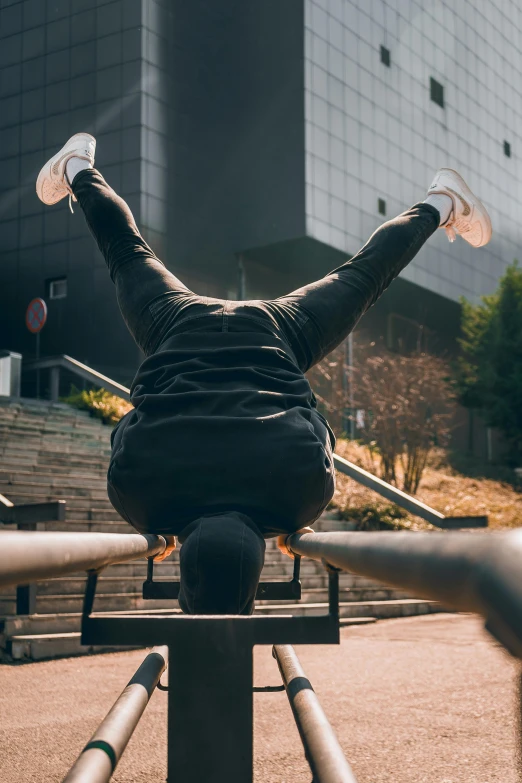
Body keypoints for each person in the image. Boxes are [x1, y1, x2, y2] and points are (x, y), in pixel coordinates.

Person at [36, 133, 492, 615]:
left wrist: (287, 520)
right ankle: (78, 170)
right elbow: (129, 425)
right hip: (175, 330)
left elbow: (318, 428)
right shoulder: (138, 498)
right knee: (127, 253)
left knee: (363, 275)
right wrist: (164, 522)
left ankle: (440, 200)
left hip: (278, 339)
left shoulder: (300, 501)